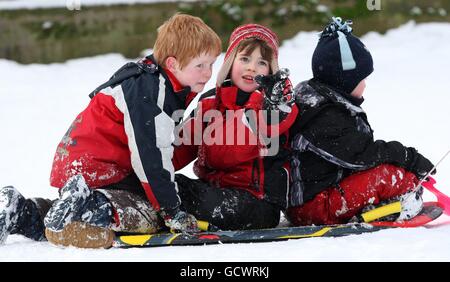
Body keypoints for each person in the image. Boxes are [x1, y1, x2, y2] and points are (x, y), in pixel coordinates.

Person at [0, 13, 221, 248]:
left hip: (82, 162)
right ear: (173, 64)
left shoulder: (149, 80)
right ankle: (86, 202)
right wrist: (172, 211)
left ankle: (23, 213)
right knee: (147, 214)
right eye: (200, 65)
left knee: (66, 217)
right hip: (97, 166)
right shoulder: (151, 93)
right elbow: (150, 157)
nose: (208, 73)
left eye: (211, 65)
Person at [286, 17, 435, 226]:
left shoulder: (324, 103)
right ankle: (399, 206)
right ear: (343, 81)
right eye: (360, 79)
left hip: (317, 199)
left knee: (394, 173)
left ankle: (391, 201)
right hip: (314, 207)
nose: (364, 85)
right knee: (388, 175)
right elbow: (360, 155)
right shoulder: (324, 115)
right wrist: (406, 157)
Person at [172, 23, 298, 230]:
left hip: (257, 204)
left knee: (189, 196)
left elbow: (231, 148)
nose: (252, 68)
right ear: (231, 62)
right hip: (213, 191)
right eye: (245, 59)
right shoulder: (210, 102)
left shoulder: (274, 107)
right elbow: (180, 147)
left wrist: (273, 107)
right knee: (167, 185)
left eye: (262, 62)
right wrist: (151, 166)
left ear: (270, 71)